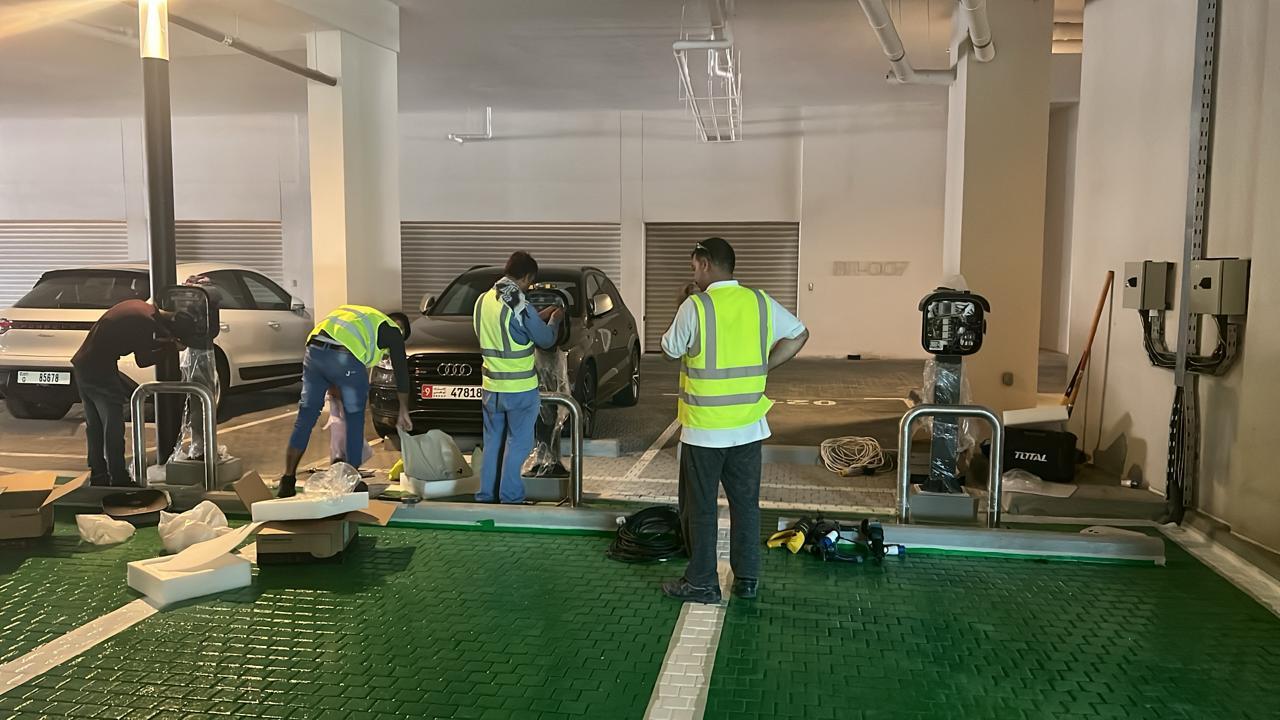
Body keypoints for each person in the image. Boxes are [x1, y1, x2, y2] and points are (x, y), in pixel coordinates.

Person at [659, 237, 809, 604]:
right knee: (746, 505)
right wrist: (766, 366)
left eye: (694, 266)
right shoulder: (760, 302)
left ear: (707, 263)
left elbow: (669, 349)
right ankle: (747, 579)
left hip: (704, 430)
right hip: (747, 428)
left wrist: (682, 305)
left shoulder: (696, 306)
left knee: (701, 509)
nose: (693, 273)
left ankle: (701, 582)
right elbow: (800, 334)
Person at [279, 305, 413, 498]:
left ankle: (287, 480)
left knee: (306, 417)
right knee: (354, 418)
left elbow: (330, 350)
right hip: (344, 356)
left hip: (314, 351)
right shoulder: (392, 331)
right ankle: (350, 483)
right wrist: (403, 411)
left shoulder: (358, 316)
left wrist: (335, 382)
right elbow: (401, 371)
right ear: (400, 330)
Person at [71, 299, 198, 487]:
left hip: (82, 364)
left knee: (95, 425)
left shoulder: (142, 308)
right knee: (112, 425)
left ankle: (98, 474)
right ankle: (118, 477)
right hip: (100, 369)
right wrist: (171, 347)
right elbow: (143, 360)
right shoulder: (146, 323)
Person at [472, 251, 564, 503]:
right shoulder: (518, 303)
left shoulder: (483, 300)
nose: (527, 287)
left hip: (491, 388)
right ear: (525, 277)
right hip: (519, 389)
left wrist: (538, 316)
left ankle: (486, 495)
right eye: (528, 283)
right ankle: (510, 497)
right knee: (519, 444)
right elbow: (545, 339)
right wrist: (554, 321)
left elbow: (509, 330)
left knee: (492, 444)